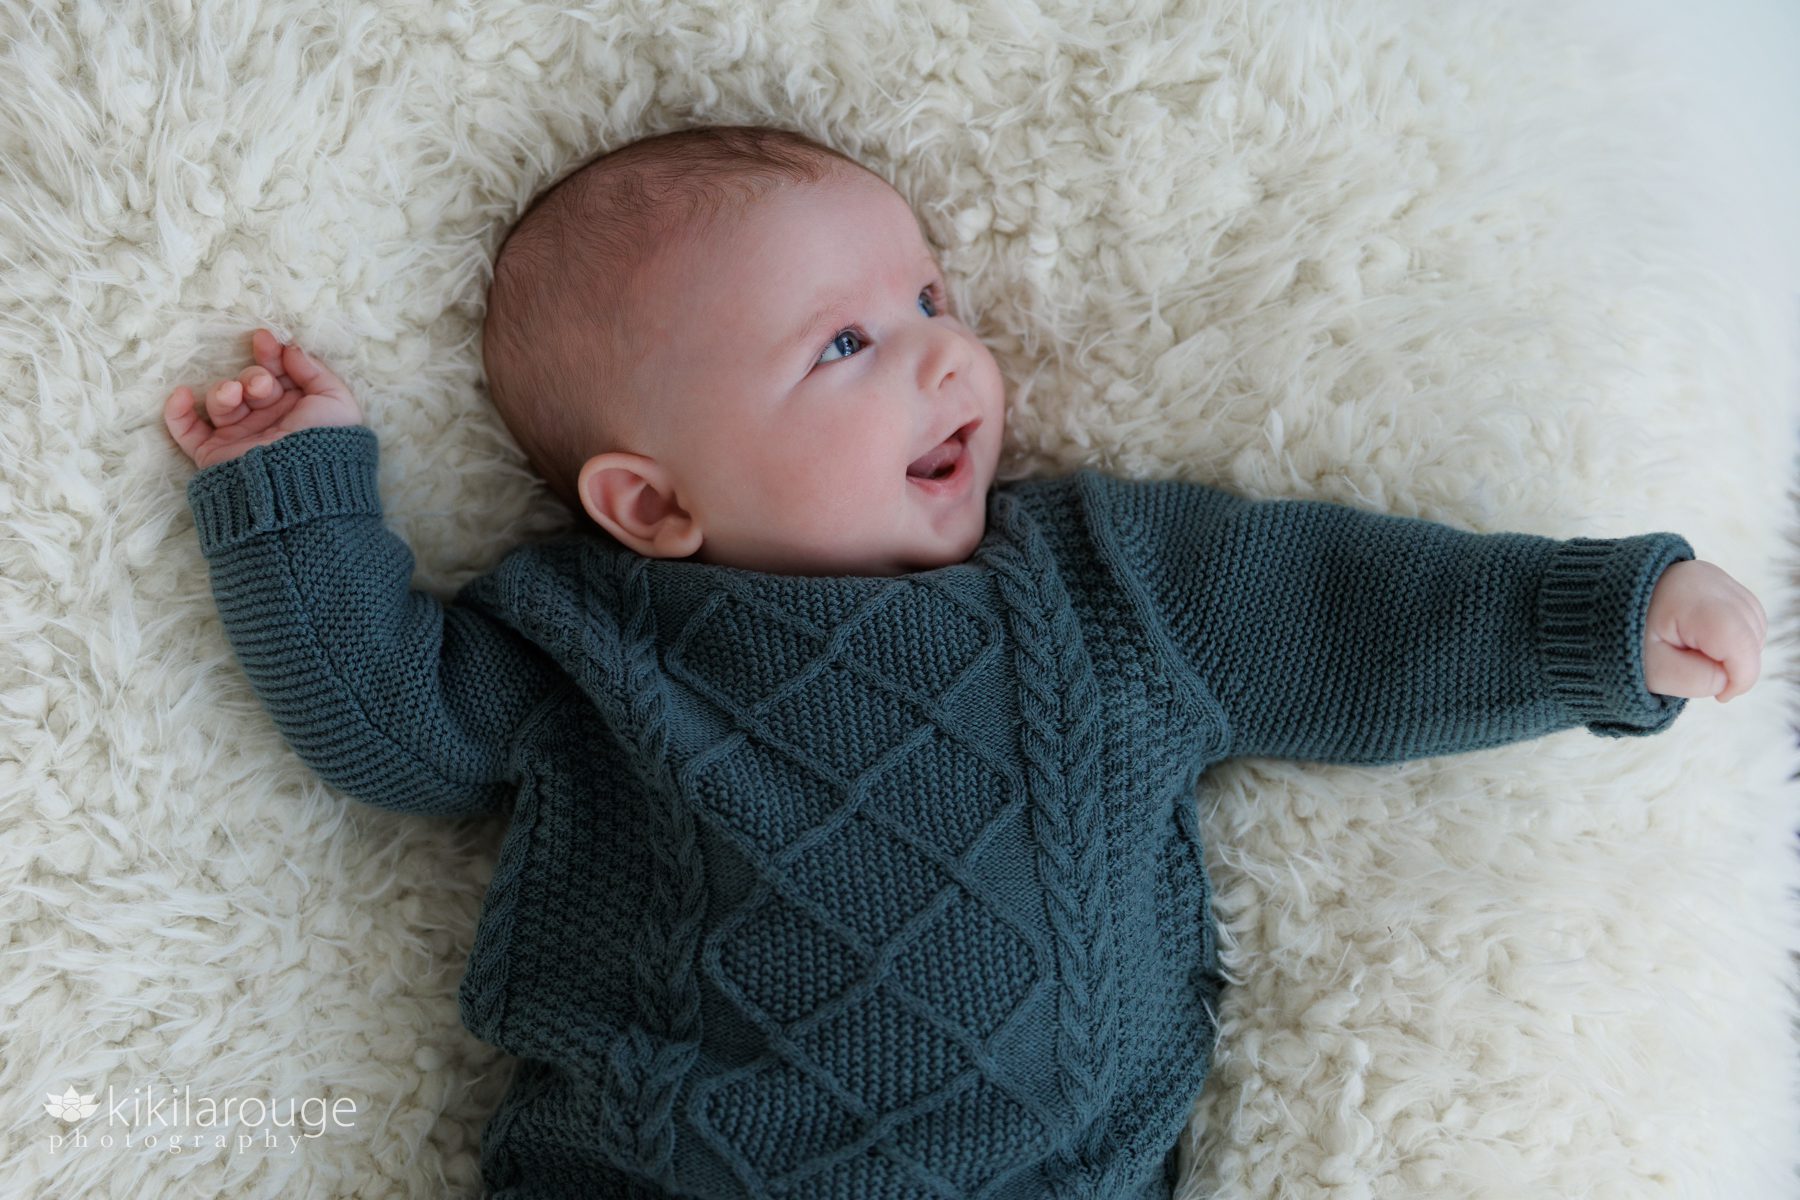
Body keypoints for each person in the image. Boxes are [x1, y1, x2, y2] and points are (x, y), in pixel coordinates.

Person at [161, 124, 1766, 1199]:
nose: (945, 352)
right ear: (649, 505)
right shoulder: (588, 638)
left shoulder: (1100, 580)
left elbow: (1338, 612)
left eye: (928, 297)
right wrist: (293, 497)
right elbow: (391, 721)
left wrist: (1590, 624)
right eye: (846, 344)